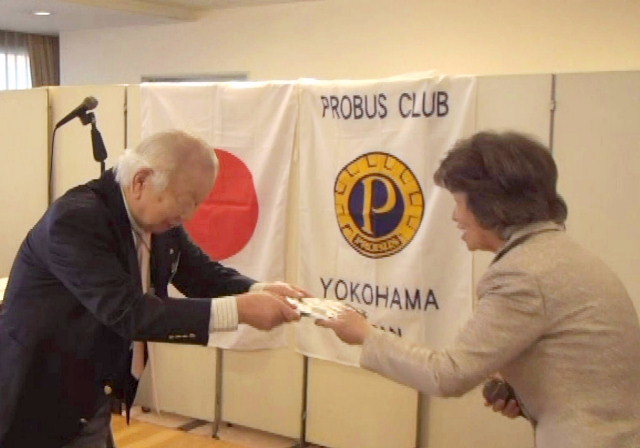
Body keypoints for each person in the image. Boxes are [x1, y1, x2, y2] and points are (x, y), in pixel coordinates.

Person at [317, 131, 640, 448]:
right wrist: (524, 392)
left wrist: (365, 334)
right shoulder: (560, 255)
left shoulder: (522, 275)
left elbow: (447, 375)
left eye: (459, 202)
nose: (456, 216)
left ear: (490, 205)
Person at [0, 130, 308, 448]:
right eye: (186, 201)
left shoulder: (158, 221)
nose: (190, 215)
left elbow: (201, 274)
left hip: (91, 392)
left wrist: (260, 289)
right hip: (36, 395)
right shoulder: (76, 220)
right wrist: (239, 310)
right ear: (141, 181)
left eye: (198, 204)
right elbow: (130, 312)